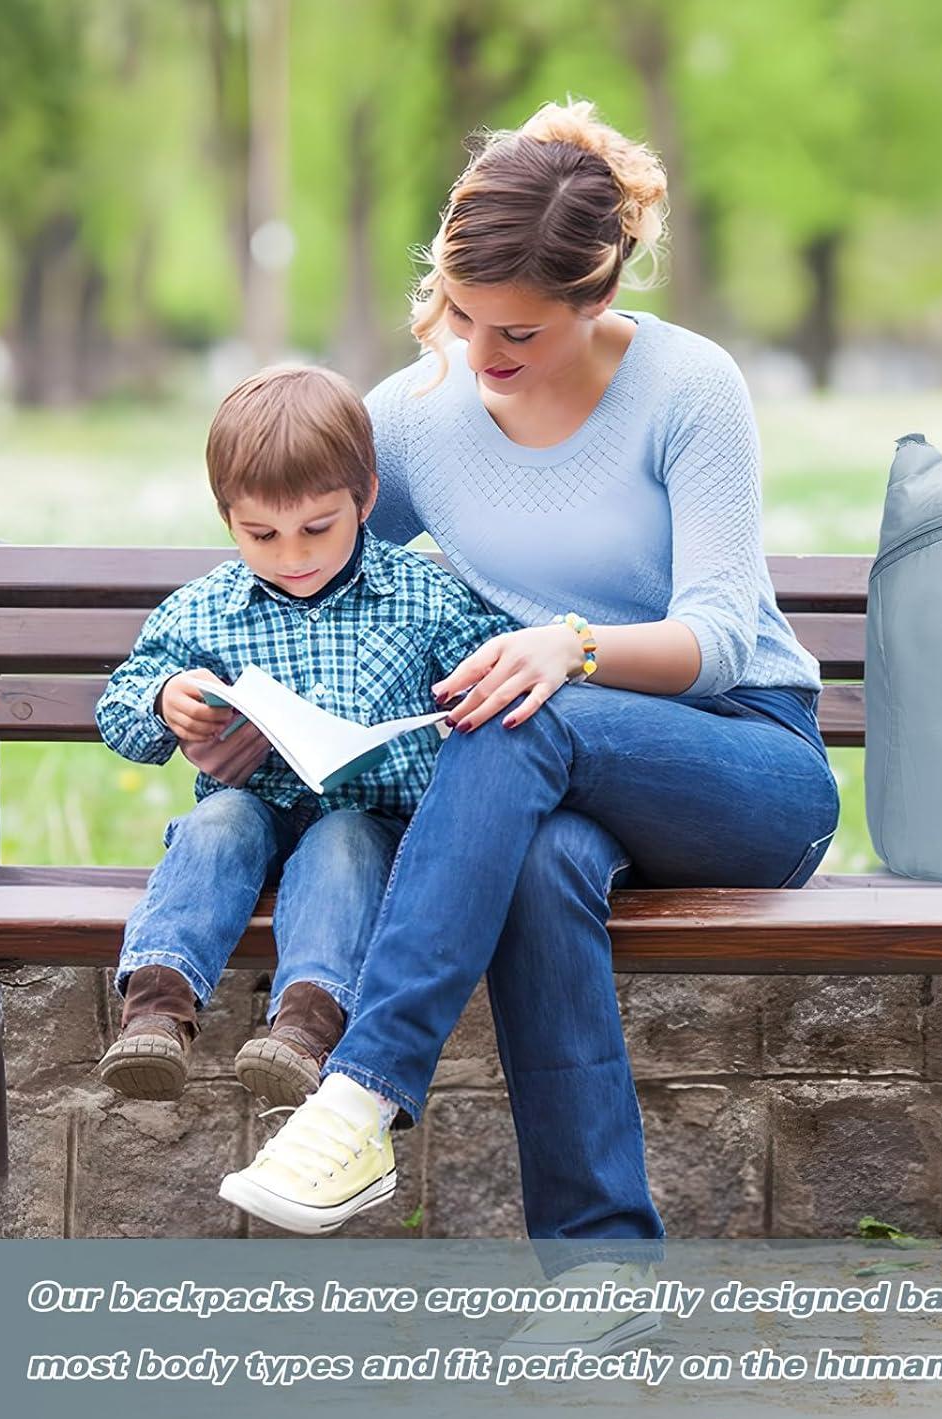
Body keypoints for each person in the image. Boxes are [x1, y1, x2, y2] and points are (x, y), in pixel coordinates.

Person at [216, 97, 840, 1277]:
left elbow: (716, 635)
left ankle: (362, 1095)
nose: (482, 355)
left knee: (520, 713)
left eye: (518, 334)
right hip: (553, 782)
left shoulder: (687, 387)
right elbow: (306, 564)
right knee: (544, 860)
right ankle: (605, 1271)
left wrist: (571, 645)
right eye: (461, 315)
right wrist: (224, 696)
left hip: (745, 767)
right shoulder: (416, 418)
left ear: (598, 300)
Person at [96, 365, 514, 1119]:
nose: (292, 556)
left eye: (317, 527)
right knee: (217, 820)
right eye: (261, 534)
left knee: (345, 838)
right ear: (228, 520)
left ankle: (304, 1029)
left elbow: (494, 673)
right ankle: (156, 1011)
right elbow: (120, 705)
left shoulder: (423, 596)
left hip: (372, 827)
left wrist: (466, 702)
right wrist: (167, 703)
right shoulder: (206, 609)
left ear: (366, 499)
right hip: (253, 821)